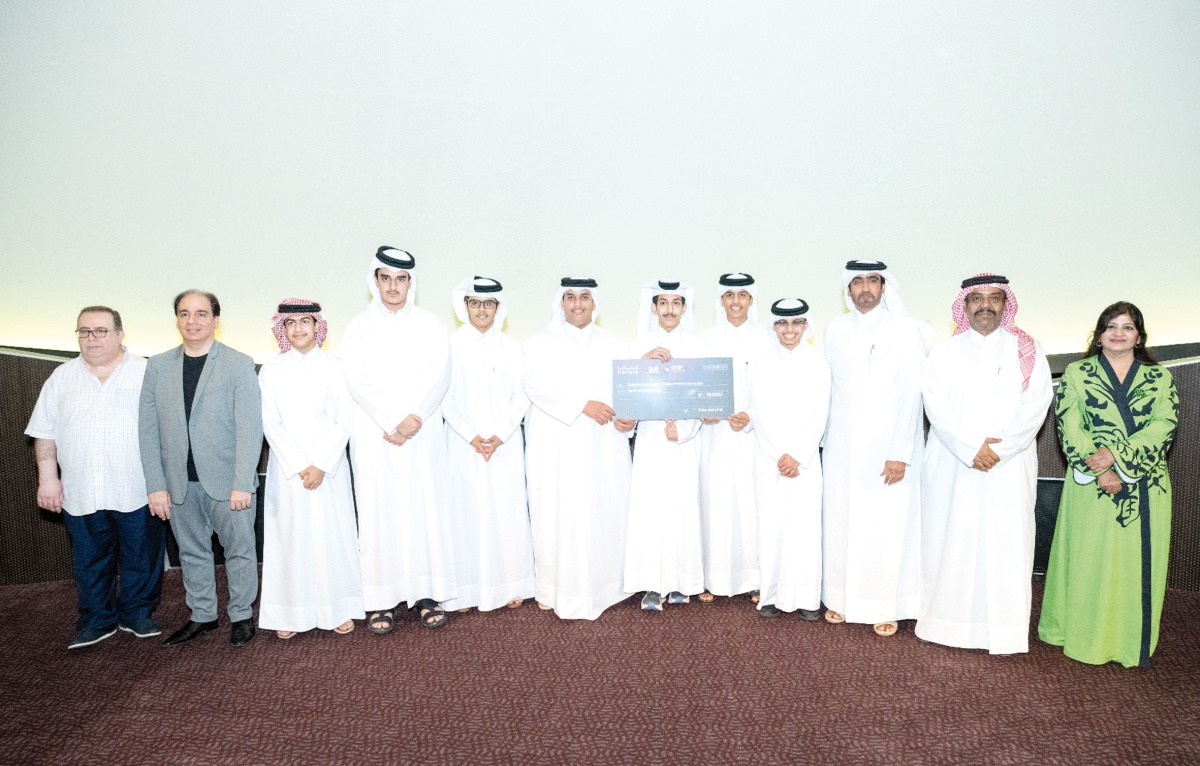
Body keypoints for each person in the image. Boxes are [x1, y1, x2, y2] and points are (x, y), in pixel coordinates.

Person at [917, 273, 1052, 654]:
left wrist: (1001, 448)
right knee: (951, 540)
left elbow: (1036, 404)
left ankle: (1003, 630)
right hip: (953, 464)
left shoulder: (1027, 349)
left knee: (1006, 543)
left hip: (1008, 466)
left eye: (994, 298)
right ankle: (947, 625)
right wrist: (970, 446)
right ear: (965, 305)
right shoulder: (943, 352)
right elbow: (936, 406)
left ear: (1006, 305)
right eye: (977, 299)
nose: (986, 306)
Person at [1038, 302, 1179, 667]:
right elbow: (1069, 424)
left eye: (1128, 327)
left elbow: (1164, 425)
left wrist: (1116, 455)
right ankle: (1082, 635)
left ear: (1139, 336)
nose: (1119, 333)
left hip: (1145, 482)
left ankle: (1126, 639)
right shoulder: (1076, 373)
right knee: (1088, 559)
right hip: (1090, 482)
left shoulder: (1159, 378)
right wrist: (1100, 468)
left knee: (1133, 564)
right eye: (1111, 326)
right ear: (1098, 334)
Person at [27, 306, 165, 650]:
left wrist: (163, 484)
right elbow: (45, 434)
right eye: (84, 331)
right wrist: (48, 479)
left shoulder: (148, 374)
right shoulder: (61, 377)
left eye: (101, 331)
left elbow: (169, 432)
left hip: (137, 487)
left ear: (120, 334)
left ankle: (137, 613)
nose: (92, 338)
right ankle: (96, 619)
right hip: (81, 489)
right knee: (89, 560)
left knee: (142, 556)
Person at [139, 290, 263, 647]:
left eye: (201, 314)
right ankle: (203, 615)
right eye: (184, 313)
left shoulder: (239, 363)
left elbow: (249, 428)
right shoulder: (158, 365)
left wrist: (243, 482)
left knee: (240, 550)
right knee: (191, 552)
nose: (192, 321)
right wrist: (155, 485)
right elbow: (147, 430)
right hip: (178, 483)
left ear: (215, 320)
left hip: (228, 482)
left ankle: (241, 614)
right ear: (176, 319)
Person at [342, 246, 454, 632]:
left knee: (424, 510)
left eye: (401, 279)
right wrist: (392, 420)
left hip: (421, 431)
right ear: (375, 280)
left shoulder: (430, 323)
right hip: (376, 434)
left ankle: (425, 593)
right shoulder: (358, 326)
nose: (393, 286)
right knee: (379, 512)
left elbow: (439, 375)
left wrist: (412, 419)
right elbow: (357, 380)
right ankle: (380, 598)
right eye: (386, 278)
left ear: (411, 283)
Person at [821, 261, 929, 637]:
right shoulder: (835, 330)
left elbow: (912, 394)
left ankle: (887, 605)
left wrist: (901, 451)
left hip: (889, 446)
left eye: (873, 280)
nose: (865, 288)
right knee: (842, 520)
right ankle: (842, 597)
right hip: (843, 447)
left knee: (887, 525)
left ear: (885, 286)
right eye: (857, 282)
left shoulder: (906, 329)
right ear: (847, 289)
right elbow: (827, 390)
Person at [523, 277, 633, 619]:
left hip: (604, 446)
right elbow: (535, 385)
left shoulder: (614, 343)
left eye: (585, 297)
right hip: (558, 444)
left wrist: (629, 417)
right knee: (559, 513)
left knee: (603, 510)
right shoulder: (542, 341)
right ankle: (554, 588)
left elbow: (626, 390)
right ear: (561, 302)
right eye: (570, 297)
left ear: (595, 303)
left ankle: (606, 588)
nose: (578, 304)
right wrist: (582, 405)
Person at [257, 299, 364, 640]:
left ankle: (338, 608)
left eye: (305, 321)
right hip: (289, 472)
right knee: (290, 538)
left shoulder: (336, 367)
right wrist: (301, 466)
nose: (299, 328)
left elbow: (344, 420)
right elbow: (270, 423)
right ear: (283, 329)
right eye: (291, 324)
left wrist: (321, 464)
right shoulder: (271, 371)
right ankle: (291, 612)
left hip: (329, 470)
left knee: (331, 537)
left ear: (317, 326)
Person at [440, 276, 535, 613]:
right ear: (464, 306)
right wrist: (470, 434)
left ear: (498, 307)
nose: (482, 310)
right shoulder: (449, 346)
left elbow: (523, 394)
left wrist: (500, 432)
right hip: (462, 443)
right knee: (464, 513)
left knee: (506, 511)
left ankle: (512, 584)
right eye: (475, 303)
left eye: (488, 303)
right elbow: (443, 396)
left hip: (504, 444)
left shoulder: (512, 348)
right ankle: (464, 591)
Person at [624, 280, 709, 611]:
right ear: (653, 307)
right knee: (651, 510)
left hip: (685, 441)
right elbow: (628, 396)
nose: (670, 309)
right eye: (664, 303)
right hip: (649, 440)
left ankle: (682, 583)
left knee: (683, 508)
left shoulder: (698, 345)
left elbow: (704, 396)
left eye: (677, 303)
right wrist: (644, 364)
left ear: (685, 308)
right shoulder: (638, 345)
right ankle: (652, 586)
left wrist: (683, 431)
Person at [746, 299, 831, 619]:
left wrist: (798, 455)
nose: (790, 330)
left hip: (805, 463)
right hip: (768, 460)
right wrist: (777, 453)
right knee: (771, 527)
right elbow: (757, 412)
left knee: (804, 528)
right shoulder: (760, 364)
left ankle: (807, 599)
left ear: (806, 326)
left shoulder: (819, 364)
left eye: (796, 323)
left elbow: (820, 414)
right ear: (774, 326)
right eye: (783, 324)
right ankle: (769, 596)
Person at [698, 274, 772, 605]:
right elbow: (697, 386)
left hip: (753, 436)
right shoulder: (707, 339)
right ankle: (715, 578)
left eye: (743, 295)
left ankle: (755, 578)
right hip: (714, 435)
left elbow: (775, 388)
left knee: (751, 503)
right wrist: (704, 410)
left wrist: (752, 415)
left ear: (752, 300)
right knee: (715, 501)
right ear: (722, 301)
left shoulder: (767, 338)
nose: (737, 301)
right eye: (730, 295)